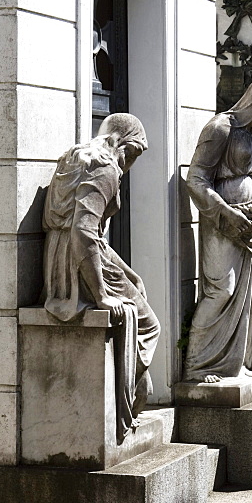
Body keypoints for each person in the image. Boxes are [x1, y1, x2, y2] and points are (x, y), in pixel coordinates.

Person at [43, 113, 160, 442]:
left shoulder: (78, 155)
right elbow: (84, 231)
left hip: (61, 256)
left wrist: (127, 273)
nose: (133, 163)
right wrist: (102, 295)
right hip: (80, 261)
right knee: (149, 324)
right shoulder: (107, 168)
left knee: (136, 289)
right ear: (122, 145)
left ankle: (129, 394)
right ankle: (124, 398)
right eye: (134, 153)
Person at [184, 79, 252, 382]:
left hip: (250, 227)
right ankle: (197, 366)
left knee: (247, 294)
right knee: (222, 291)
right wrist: (227, 213)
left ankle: (233, 365)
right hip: (222, 224)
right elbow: (196, 180)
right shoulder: (220, 129)